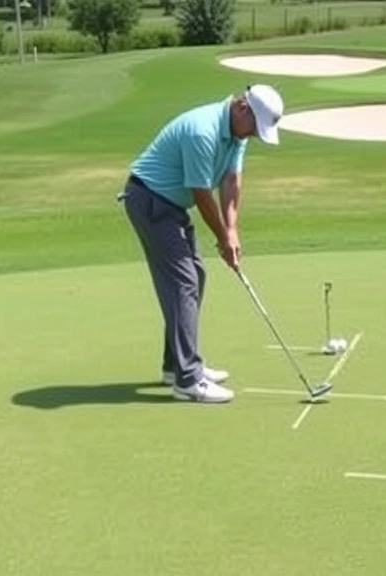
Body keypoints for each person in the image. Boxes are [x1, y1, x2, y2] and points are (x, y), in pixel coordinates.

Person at [118, 84, 284, 404]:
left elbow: (231, 181)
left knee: (196, 276)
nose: (253, 136)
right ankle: (188, 379)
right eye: (254, 128)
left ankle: (174, 366)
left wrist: (232, 230)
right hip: (150, 200)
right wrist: (222, 237)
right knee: (184, 281)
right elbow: (201, 192)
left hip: (170, 206)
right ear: (241, 108)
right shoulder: (202, 132)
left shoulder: (236, 134)